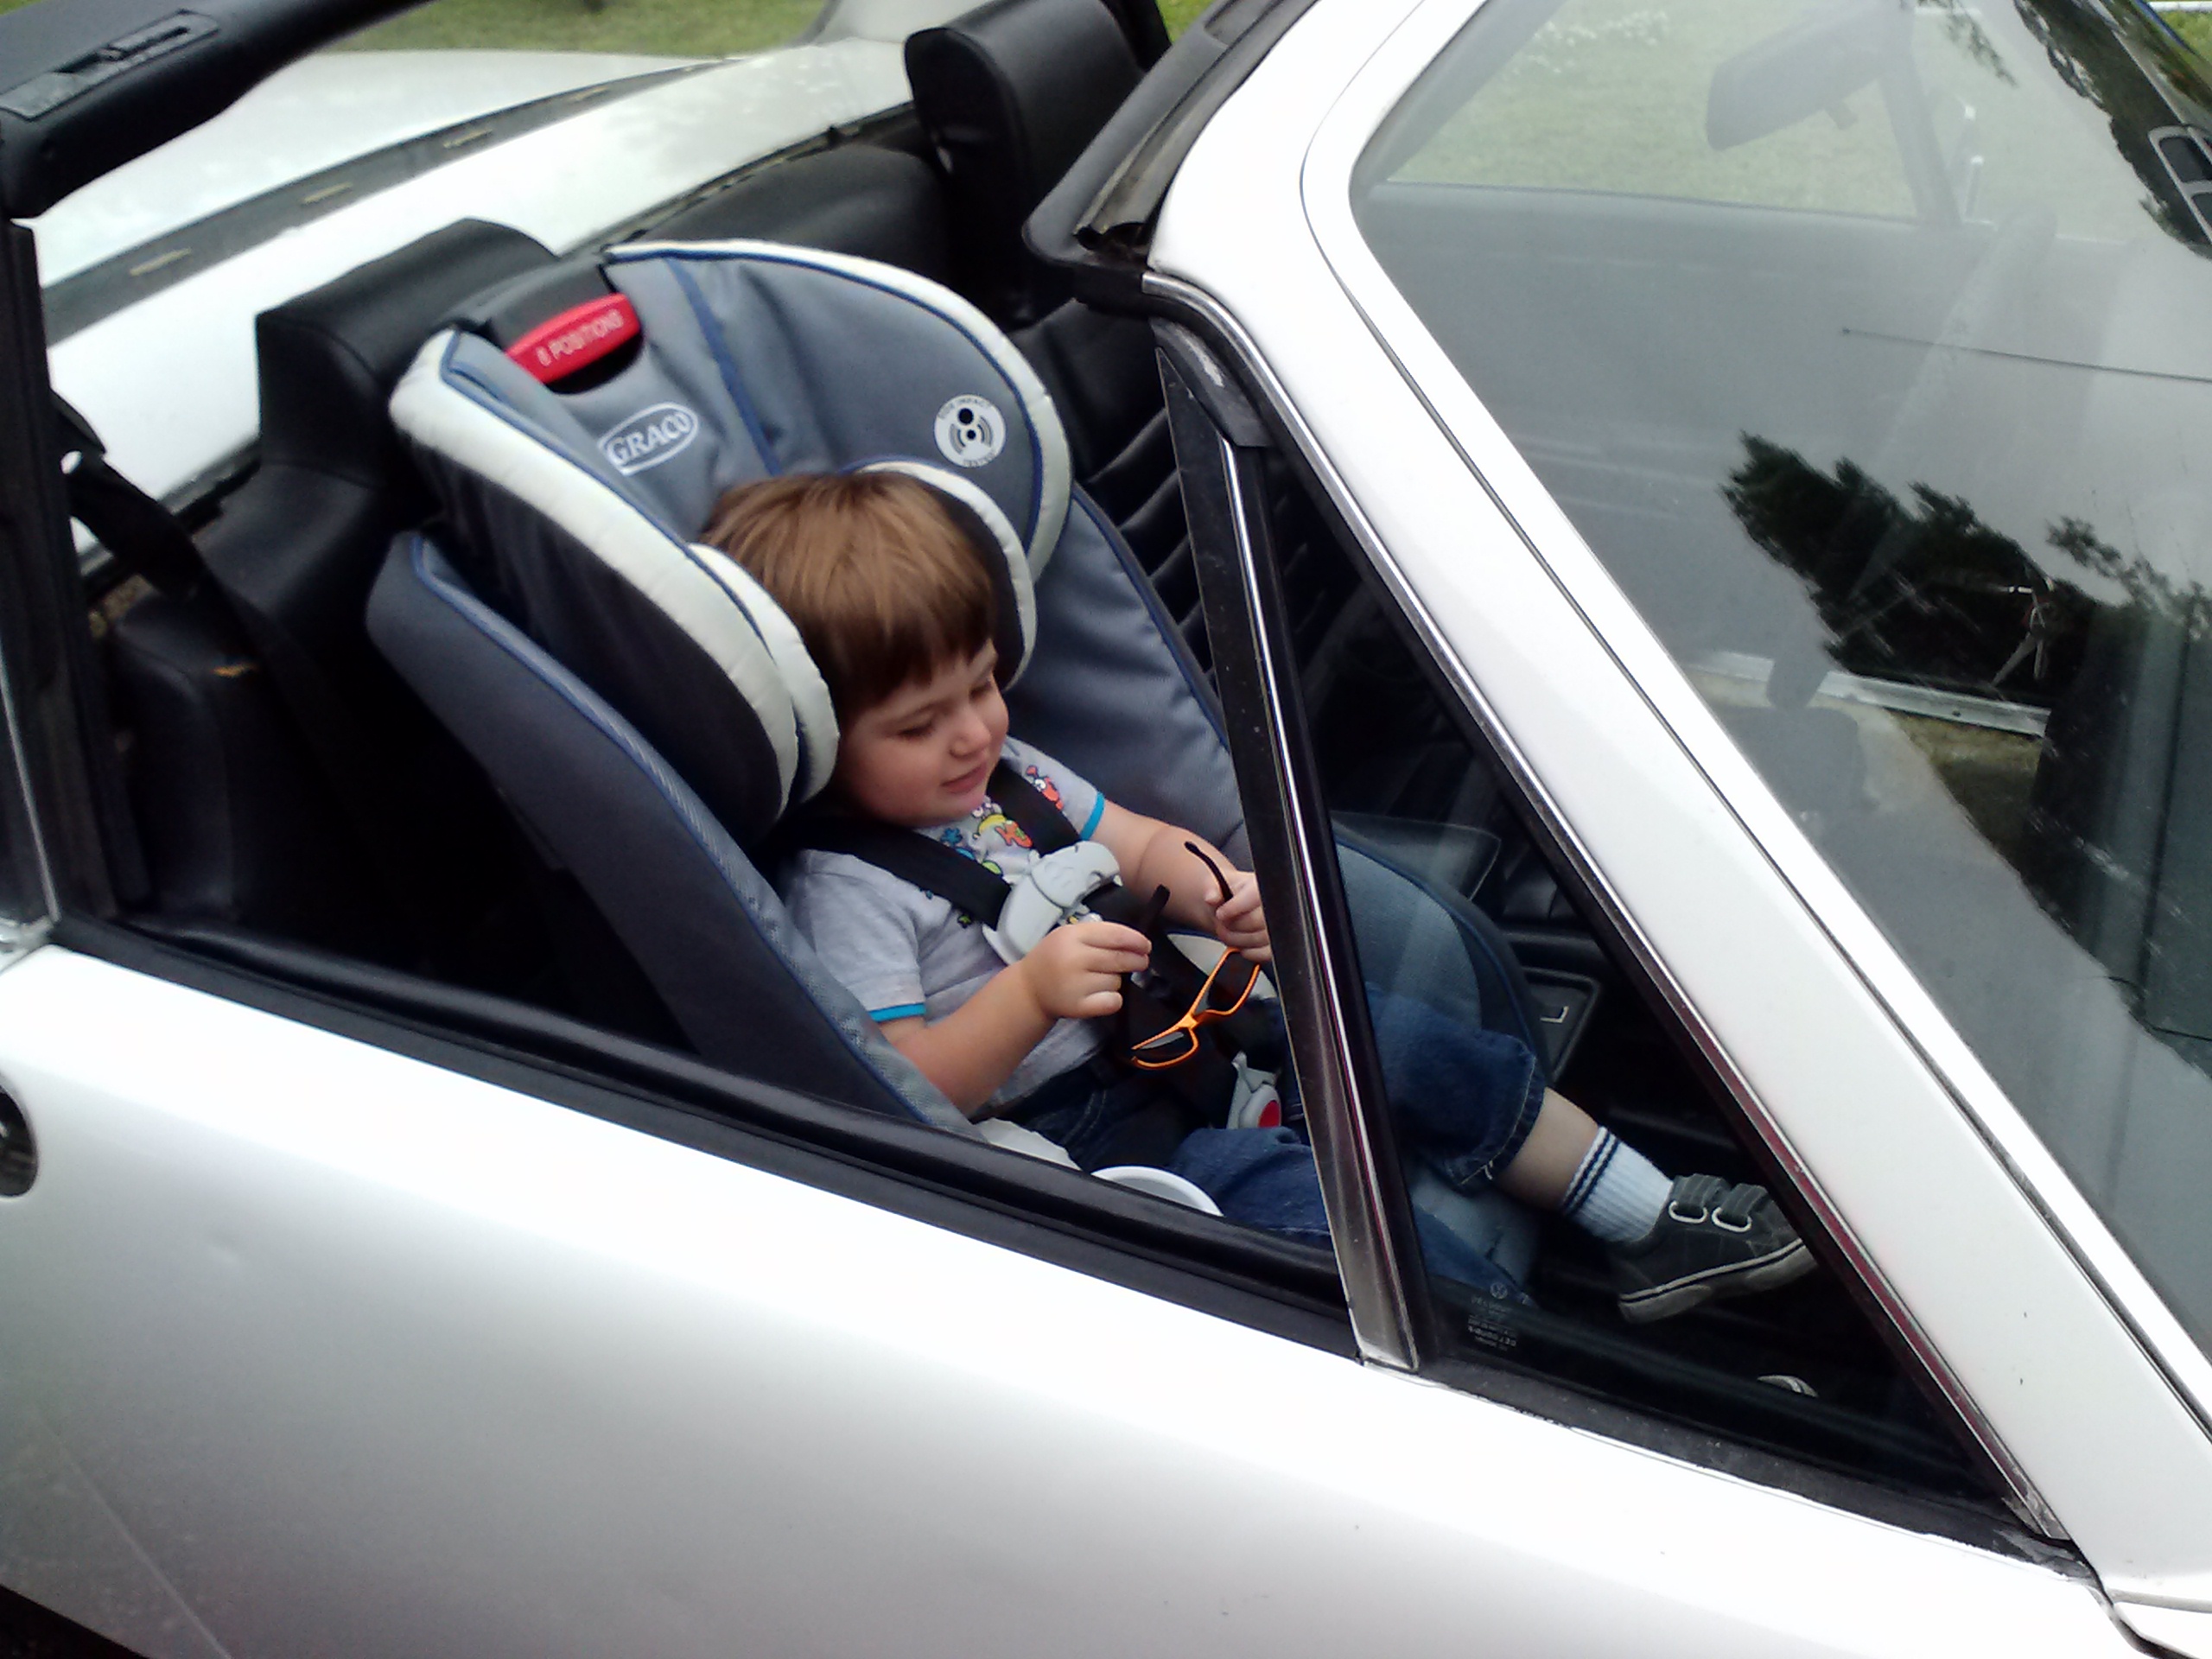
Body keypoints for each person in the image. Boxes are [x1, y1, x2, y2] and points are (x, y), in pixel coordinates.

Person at [702, 471, 1814, 1320]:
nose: (972, 732)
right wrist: (1029, 996)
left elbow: (1138, 842)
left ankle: (1647, 1220)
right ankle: (1519, 1352)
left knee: (1405, 1039)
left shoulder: (1013, 775)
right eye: (918, 724)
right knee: (1302, 1214)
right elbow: (904, 1084)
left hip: (1205, 1022)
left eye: (984, 683)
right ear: (817, 733)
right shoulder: (844, 888)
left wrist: (1214, 894)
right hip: (1101, 1133)